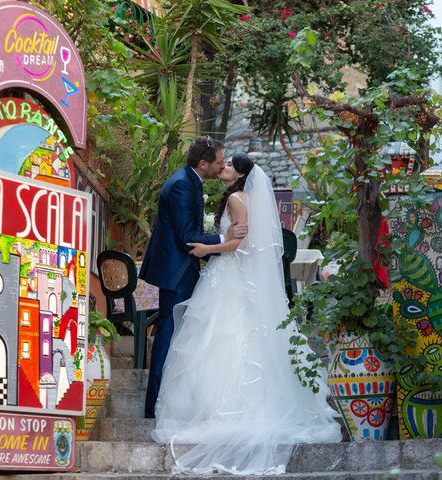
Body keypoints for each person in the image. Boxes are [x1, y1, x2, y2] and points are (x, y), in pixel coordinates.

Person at [152, 154, 341, 475]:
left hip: (230, 277)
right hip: (232, 277)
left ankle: (224, 410)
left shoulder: (238, 199)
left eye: (228, 166)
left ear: (239, 175)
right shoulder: (243, 197)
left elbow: (239, 244)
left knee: (224, 338)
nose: (222, 168)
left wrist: (206, 248)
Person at [139, 137, 247, 419]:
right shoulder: (183, 186)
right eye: (219, 161)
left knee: (178, 335)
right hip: (175, 272)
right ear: (203, 164)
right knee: (169, 336)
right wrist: (223, 241)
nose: (222, 165)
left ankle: (168, 402)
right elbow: (187, 237)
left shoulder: (188, 181)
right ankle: (156, 405)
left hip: (181, 269)